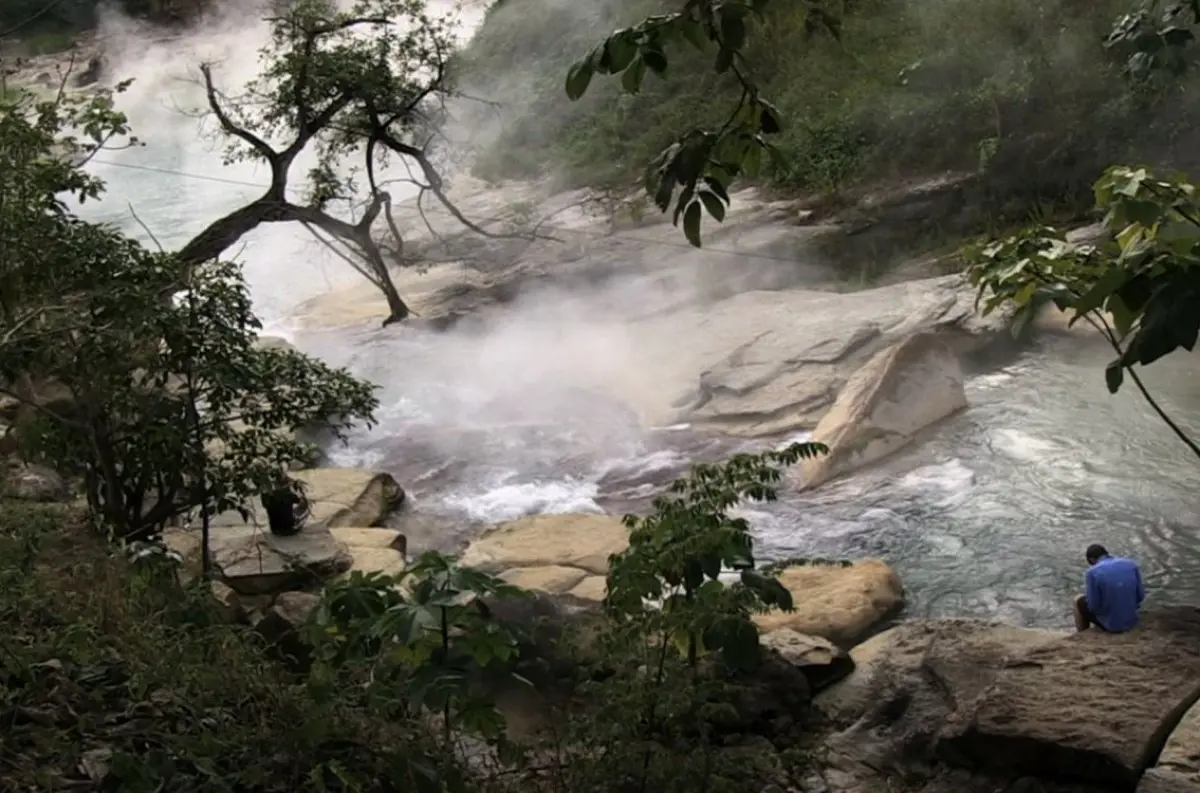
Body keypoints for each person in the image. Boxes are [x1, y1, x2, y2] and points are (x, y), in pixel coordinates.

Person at [1073, 543, 1145, 633]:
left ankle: (1082, 633)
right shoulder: (1131, 564)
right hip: (1132, 621)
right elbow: (1140, 596)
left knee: (1078, 600)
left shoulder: (1092, 572)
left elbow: (1093, 606)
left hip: (1113, 625)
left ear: (1091, 559)